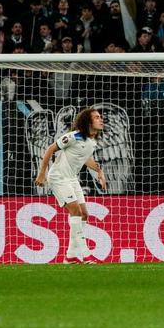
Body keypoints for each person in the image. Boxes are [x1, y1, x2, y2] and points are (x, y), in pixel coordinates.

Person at [35, 107, 107, 264]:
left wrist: (99, 172)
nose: (100, 119)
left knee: (84, 214)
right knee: (75, 211)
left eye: (100, 117)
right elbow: (50, 149)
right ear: (88, 121)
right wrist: (42, 173)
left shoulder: (91, 141)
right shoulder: (73, 136)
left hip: (72, 179)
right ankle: (86, 254)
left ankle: (71, 255)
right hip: (58, 177)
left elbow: (86, 159)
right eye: (96, 117)